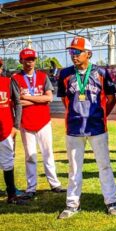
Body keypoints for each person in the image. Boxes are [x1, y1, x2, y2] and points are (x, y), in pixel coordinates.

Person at [57, 36, 116, 219]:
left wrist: (100, 115)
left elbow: (111, 98)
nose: (73, 55)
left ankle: (111, 202)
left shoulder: (101, 72)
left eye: (77, 52)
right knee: (74, 168)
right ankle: (72, 204)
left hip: (97, 127)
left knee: (104, 166)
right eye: (71, 52)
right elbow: (64, 99)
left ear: (89, 54)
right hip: (74, 128)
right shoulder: (65, 74)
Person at [13, 48, 65, 200]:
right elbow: (17, 101)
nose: (30, 62)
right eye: (27, 59)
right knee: (30, 156)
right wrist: (38, 98)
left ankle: (54, 184)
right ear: (21, 61)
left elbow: (48, 98)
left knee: (48, 153)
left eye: (32, 59)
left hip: (43, 121)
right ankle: (31, 188)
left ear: (35, 60)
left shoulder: (42, 77)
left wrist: (28, 97)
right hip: (25, 122)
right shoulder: (16, 78)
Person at [0, 59, 26, 205]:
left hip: (6, 129)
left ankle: (11, 196)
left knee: (8, 162)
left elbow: (17, 103)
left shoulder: (8, 82)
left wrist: (16, 125)